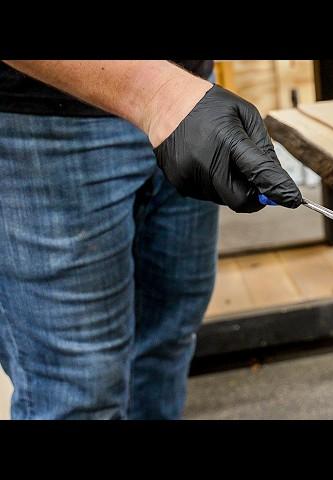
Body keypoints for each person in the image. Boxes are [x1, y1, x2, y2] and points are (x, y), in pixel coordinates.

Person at [0, 60, 302, 419]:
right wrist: (157, 93)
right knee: (78, 388)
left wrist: (176, 93)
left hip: (193, 98)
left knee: (166, 340)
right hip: (42, 117)